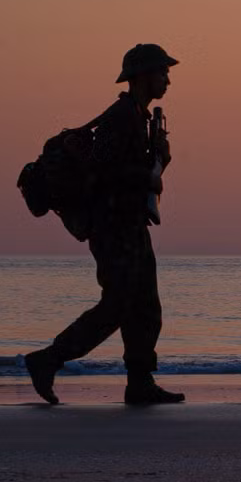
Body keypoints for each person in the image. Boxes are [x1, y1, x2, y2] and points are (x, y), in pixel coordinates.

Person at [24, 44, 182, 406]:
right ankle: (48, 360)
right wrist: (150, 169)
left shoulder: (138, 117)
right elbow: (103, 170)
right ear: (142, 76)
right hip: (113, 227)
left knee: (145, 308)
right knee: (118, 305)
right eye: (162, 72)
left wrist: (159, 160)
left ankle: (140, 382)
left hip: (130, 224)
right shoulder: (122, 118)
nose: (168, 79)